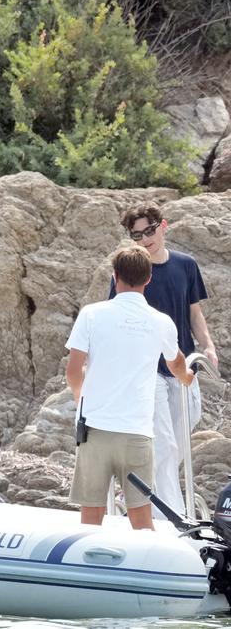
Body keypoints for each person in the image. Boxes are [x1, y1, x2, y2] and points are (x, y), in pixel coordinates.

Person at [68, 246, 195, 529]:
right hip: (137, 433)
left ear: (115, 277)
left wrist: (81, 400)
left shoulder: (91, 314)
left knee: (91, 518)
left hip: (94, 431)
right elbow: (176, 364)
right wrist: (187, 377)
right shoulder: (162, 322)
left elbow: (73, 370)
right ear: (148, 279)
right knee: (141, 519)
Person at [111, 201, 219, 517]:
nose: (145, 240)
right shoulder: (130, 270)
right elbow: (116, 314)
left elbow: (194, 313)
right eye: (137, 235)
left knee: (181, 434)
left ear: (163, 226)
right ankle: (171, 516)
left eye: (149, 231)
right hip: (148, 371)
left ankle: (139, 488)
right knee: (166, 446)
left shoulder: (186, 264)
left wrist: (208, 346)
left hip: (183, 366)